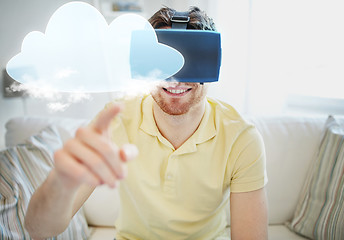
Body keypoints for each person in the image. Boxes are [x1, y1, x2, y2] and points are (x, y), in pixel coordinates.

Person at [25, 6, 268, 240]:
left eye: (188, 61)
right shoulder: (115, 120)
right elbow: (39, 230)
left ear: (212, 62)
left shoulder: (241, 137)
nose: (174, 79)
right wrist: (60, 182)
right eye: (163, 61)